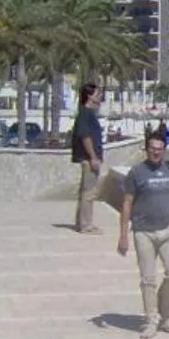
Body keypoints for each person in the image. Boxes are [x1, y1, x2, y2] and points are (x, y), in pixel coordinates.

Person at [117, 130, 169, 339]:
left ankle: (164, 312)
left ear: (164, 150)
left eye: (159, 149)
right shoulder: (137, 173)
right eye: (152, 149)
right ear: (146, 150)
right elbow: (127, 203)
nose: (156, 153)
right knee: (148, 279)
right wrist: (123, 235)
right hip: (143, 232)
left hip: (167, 230)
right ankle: (151, 319)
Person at [70, 83, 106, 234]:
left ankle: (82, 223)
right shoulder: (86, 114)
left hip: (90, 158)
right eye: (97, 94)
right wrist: (93, 157)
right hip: (89, 159)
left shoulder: (88, 113)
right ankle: (86, 225)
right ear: (90, 96)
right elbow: (85, 137)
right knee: (89, 193)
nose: (100, 96)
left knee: (86, 192)